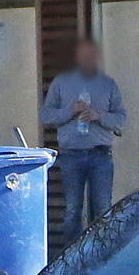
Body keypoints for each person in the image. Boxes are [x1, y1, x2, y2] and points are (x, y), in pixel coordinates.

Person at [41, 38, 128, 241]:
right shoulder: (61, 82)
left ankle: (102, 251)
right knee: (72, 210)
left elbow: (122, 119)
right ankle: (71, 253)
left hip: (100, 155)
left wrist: (99, 116)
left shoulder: (108, 85)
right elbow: (46, 115)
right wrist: (70, 111)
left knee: (103, 208)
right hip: (71, 155)